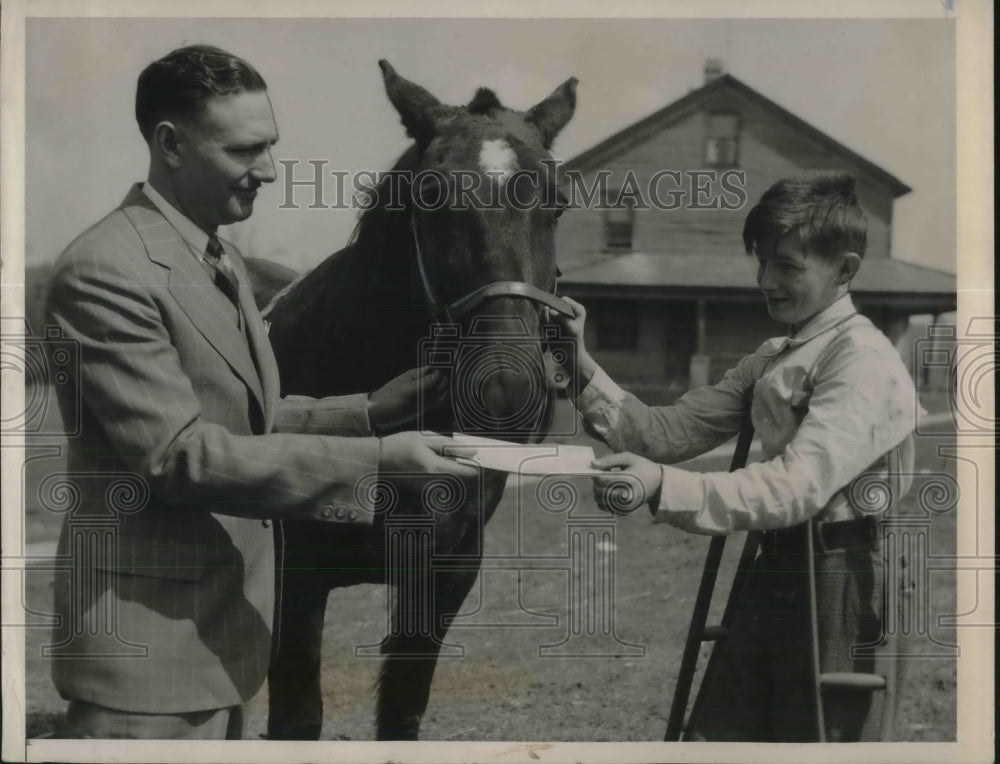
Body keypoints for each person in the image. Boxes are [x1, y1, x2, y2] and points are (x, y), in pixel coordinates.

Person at [43, 43, 476, 740]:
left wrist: (369, 411)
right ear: (170, 145)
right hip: (146, 669)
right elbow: (179, 455)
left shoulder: (216, 258)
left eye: (271, 146)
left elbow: (242, 416)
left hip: (218, 644)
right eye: (246, 150)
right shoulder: (107, 271)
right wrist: (379, 459)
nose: (269, 171)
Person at [553, 173, 917, 742]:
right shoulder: (778, 355)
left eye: (788, 267)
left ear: (845, 270)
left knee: (817, 741)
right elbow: (660, 435)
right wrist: (575, 359)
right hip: (776, 565)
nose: (766, 282)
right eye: (762, 263)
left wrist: (663, 487)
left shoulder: (862, 358)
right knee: (718, 738)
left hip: (840, 574)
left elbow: (798, 485)